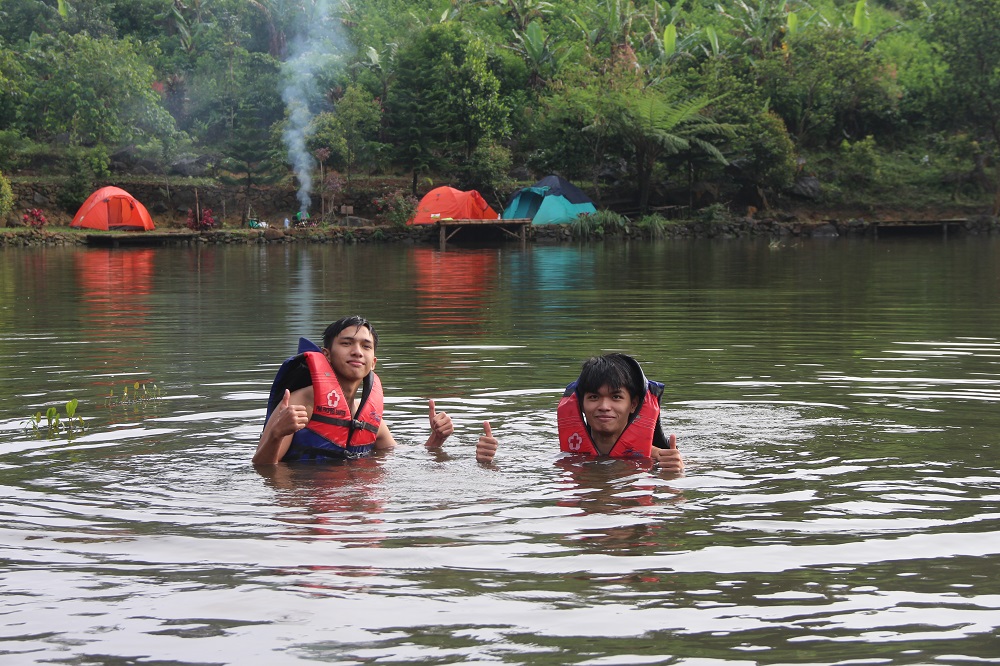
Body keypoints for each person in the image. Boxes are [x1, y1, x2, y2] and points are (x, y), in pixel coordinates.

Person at [253, 315, 454, 465]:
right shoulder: (299, 402)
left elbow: (403, 455)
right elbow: (261, 467)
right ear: (326, 355)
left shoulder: (369, 417)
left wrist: (437, 438)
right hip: (306, 505)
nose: (357, 351)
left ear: (373, 362)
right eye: (346, 343)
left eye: (366, 346)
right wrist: (276, 434)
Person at [476, 353, 683, 473]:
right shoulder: (566, 456)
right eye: (594, 397)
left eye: (616, 397)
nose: (604, 406)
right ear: (581, 404)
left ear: (633, 404)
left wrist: (675, 476)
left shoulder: (660, 459)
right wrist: (487, 463)